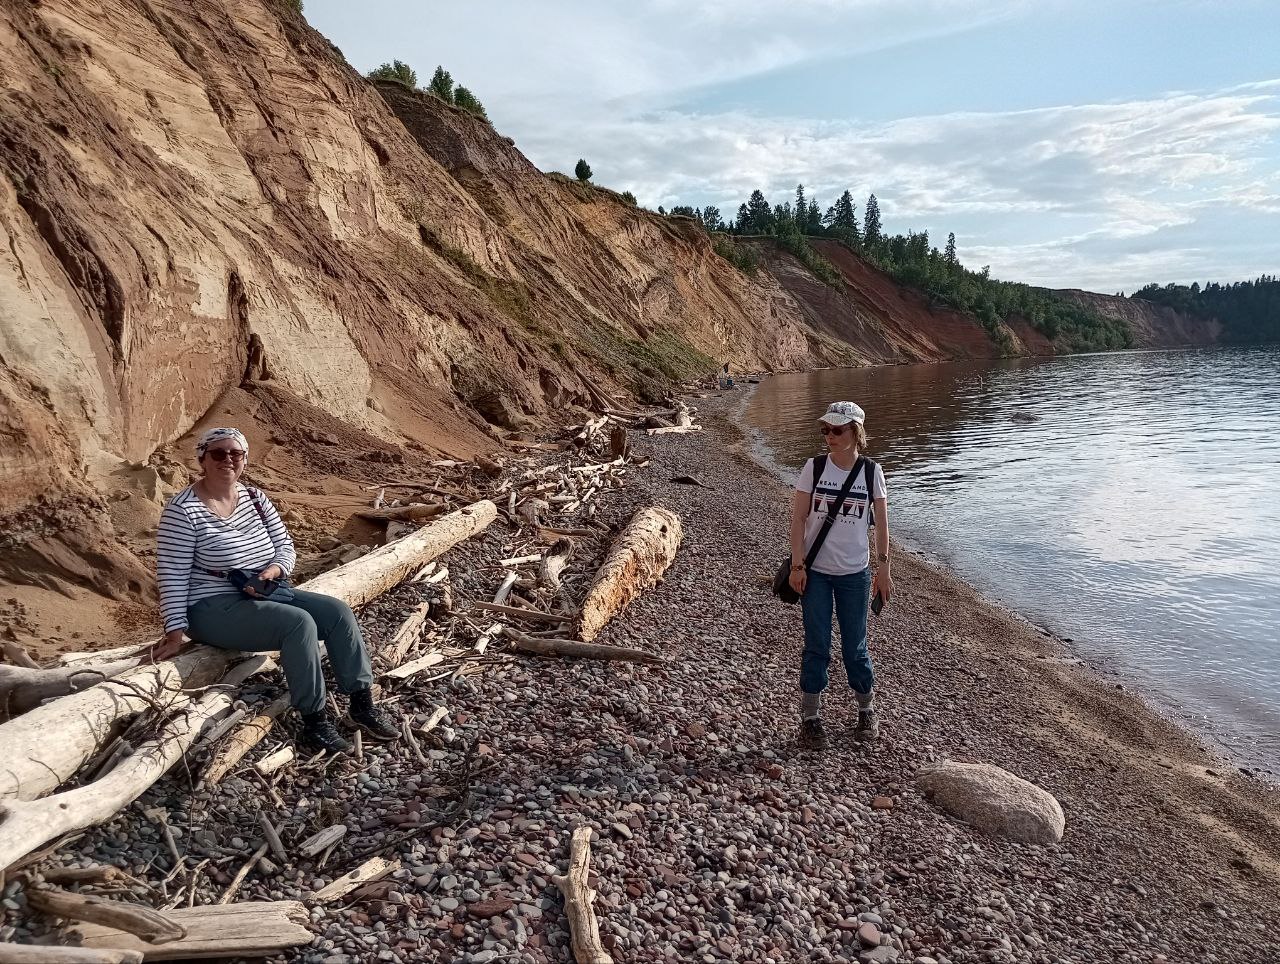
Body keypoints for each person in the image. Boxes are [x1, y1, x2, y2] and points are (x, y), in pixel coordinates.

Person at [150, 427, 398, 754]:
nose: (227, 460)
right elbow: (172, 572)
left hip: (266, 588)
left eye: (235, 454)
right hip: (210, 604)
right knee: (298, 624)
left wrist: (276, 568)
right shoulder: (183, 510)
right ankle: (314, 720)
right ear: (202, 459)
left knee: (337, 613)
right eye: (218, 453)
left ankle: (361, 705)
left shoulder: (255, 498)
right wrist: (174, 632)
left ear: (244, 459)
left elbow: (285, 545)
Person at [787, 401, 892, 749]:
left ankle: (866, 709)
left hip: (855, 574)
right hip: (815, 573)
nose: (830, 436)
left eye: (838, 430)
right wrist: (798, 566)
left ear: (856, 433)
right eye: (826, 430)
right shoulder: (814, 468)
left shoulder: (871, 472)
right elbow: (799, 519)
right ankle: (811, 719)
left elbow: (881, 526)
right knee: (816, 646)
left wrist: (884, 568)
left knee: (855, 648)